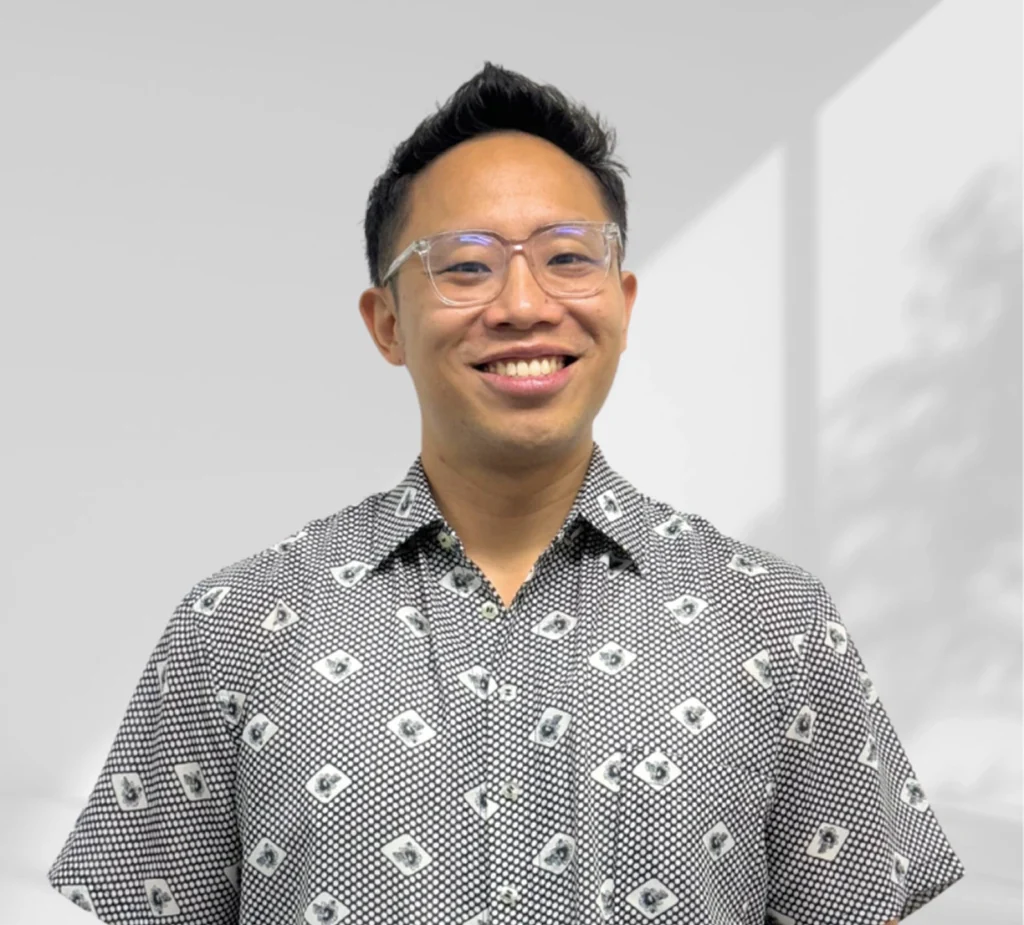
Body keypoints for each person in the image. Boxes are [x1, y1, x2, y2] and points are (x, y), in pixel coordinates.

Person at [47, 62, 963, 924]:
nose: (523, 303)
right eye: (465, 264)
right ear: (387, 321)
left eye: (568, 257)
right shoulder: (234, 628)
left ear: (623, 301)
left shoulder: (779, 623)